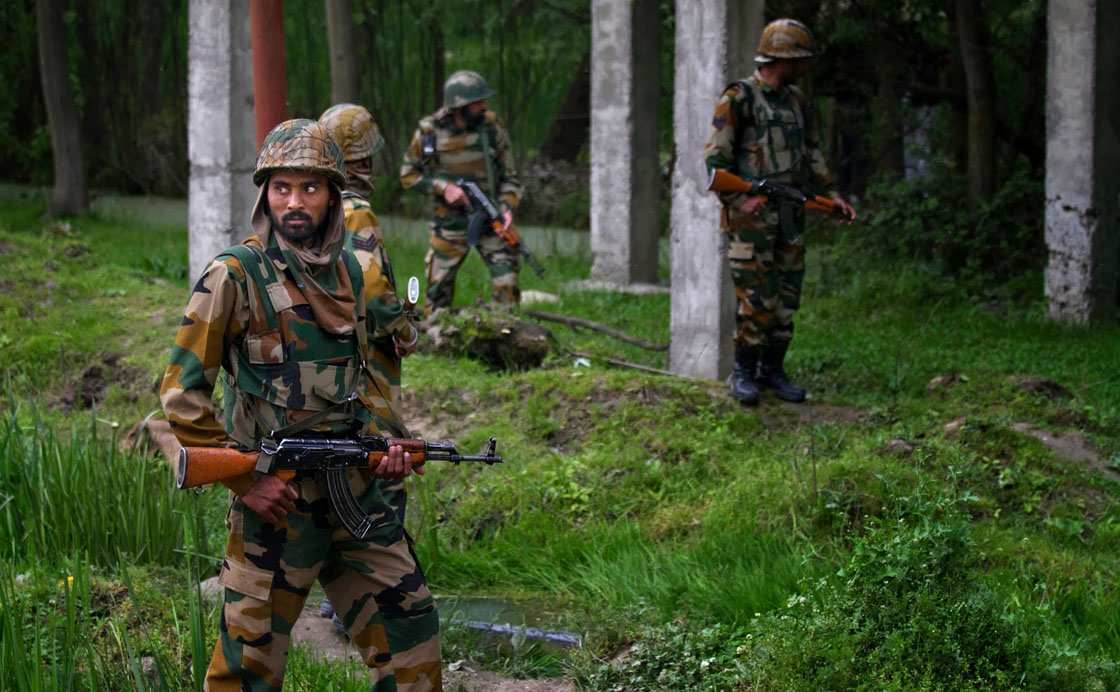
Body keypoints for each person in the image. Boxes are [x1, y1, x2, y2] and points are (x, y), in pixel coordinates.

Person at [160, 119, 442, 691]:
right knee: (248, 671)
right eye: (282, 187)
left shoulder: (349, 276)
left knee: (413, 641)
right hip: (275, 506)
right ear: (265, 193)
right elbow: (182, 395)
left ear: (334, 197)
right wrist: (246, 484)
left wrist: (385, 448)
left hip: (355, 499)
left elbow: (363, 385)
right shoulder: (234, 274)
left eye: (310, 188)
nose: (295, 202)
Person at [704, 18, 856, 406]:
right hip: (751, 221)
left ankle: (772, 370)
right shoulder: (738, 97)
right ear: (782, 59)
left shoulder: (796, 101)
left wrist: (829, 195)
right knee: (757, 299)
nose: (803, 67)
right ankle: (743, 372)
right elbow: (715, 163)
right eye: (798, 60)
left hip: (790, 214)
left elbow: (812, 153)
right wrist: (741, 201)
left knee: (786, 298)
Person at [400, 69, 524, 311]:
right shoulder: (430, 131)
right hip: (450, 224)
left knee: (508, 285)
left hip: (492, 222)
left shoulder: (492, 127)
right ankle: (434, 337)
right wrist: (443, 188)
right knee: (435, 298)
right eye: (477, 102)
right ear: (459, 106)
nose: (484, 106)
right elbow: (408, 175)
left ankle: (503, 332)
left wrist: (507, 209)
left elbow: (511, 178)